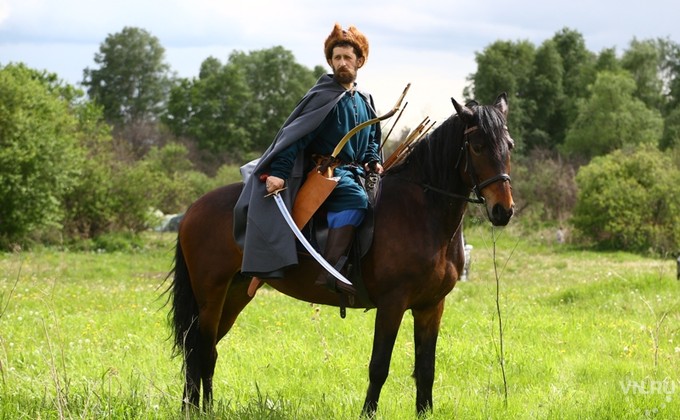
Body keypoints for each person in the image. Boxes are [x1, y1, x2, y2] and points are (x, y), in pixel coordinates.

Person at [233, 23, 383, 296]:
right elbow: (295, 137)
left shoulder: (365, 99)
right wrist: (279, 172)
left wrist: (373, 159)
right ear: (330, 62)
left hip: (359, 172)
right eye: (337, 58)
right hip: (326, 172)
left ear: (359, 61)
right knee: (355, 198)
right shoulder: (322, 96)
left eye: (347, 57)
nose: (342, 63)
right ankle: (331, 271)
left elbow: (372, 137)